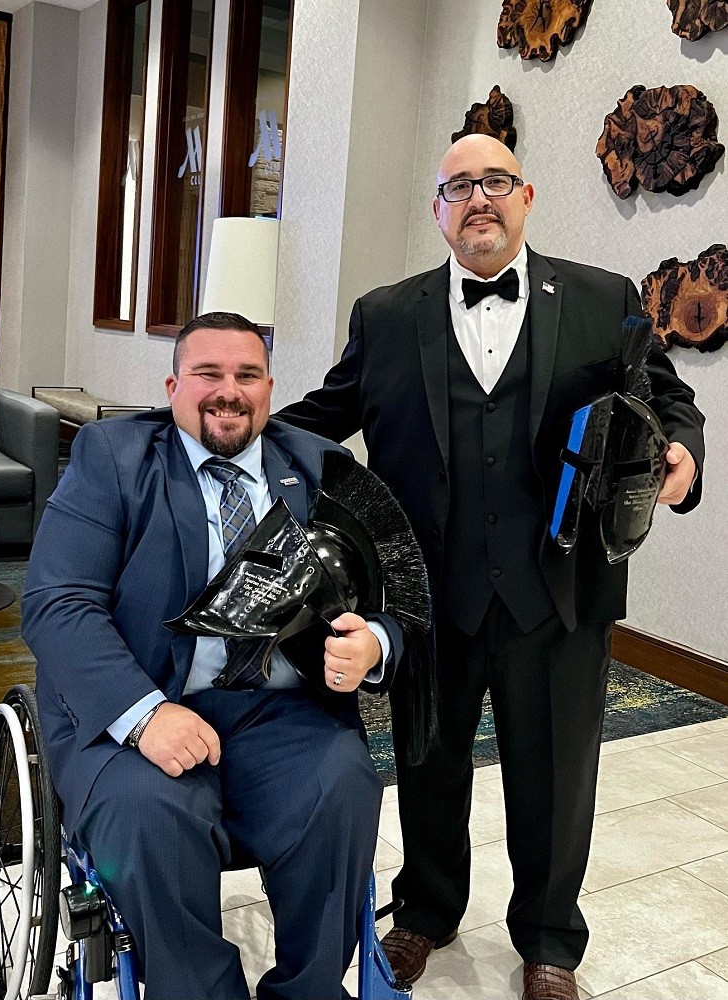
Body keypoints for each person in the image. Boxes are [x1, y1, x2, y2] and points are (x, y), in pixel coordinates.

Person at [275, 135, 705, 1000]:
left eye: (495, 181)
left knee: (556, 773)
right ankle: (426, 912)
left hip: (561, 590)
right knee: (428, 761)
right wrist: (220, 445)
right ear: (437, 208)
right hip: (427, 595)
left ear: (527, 196)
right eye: (459, 185)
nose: (479, 198)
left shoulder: (601, 299)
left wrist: (684, 455)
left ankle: (549, 939)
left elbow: (669, 402)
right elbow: (321, 417)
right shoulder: (387, 314)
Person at [22, 312, 406, 1000]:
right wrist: (144, 715)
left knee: (344, 785)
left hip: (275, 711)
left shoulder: (318, 464)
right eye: (208, 373)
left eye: (247, 375)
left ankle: (309, 991)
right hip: (139, 707)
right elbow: (57, 602)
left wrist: (374, 642)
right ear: (173, 385)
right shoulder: (111, 456)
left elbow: (386, 587)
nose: (228, 391)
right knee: (150, 818)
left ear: (268, 389)